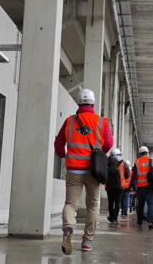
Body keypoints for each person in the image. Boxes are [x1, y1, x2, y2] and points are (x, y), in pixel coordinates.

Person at [53, 88, 113, 254]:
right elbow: (108, 143)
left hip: (73, 170)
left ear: (79, 102)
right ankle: (86, 241)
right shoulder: (102, 121)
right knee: (93, 206)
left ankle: (68, 227)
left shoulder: (70, 121)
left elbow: (58, 144)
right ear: (93, 103)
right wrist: (97, 152)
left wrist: (65, 154)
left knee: (71, 203)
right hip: (93, 171)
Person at [130, 145, 153, 229]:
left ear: (140, 153)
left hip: (140, 188)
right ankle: (150, 222)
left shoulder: (137, 162)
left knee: (140, 205)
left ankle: (139, 222)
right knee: (150, 204)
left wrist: (132, 186)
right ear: (147, 153)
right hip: (150, 187)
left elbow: (134, 175)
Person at [104, 149, 129, 224]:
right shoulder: (123, 163)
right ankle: (115, 219)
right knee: (117, 203)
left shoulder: (107, 162)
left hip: (109, 185)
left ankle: (111, 217)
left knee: (111, 202)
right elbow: (127, 174)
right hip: (120, 186)